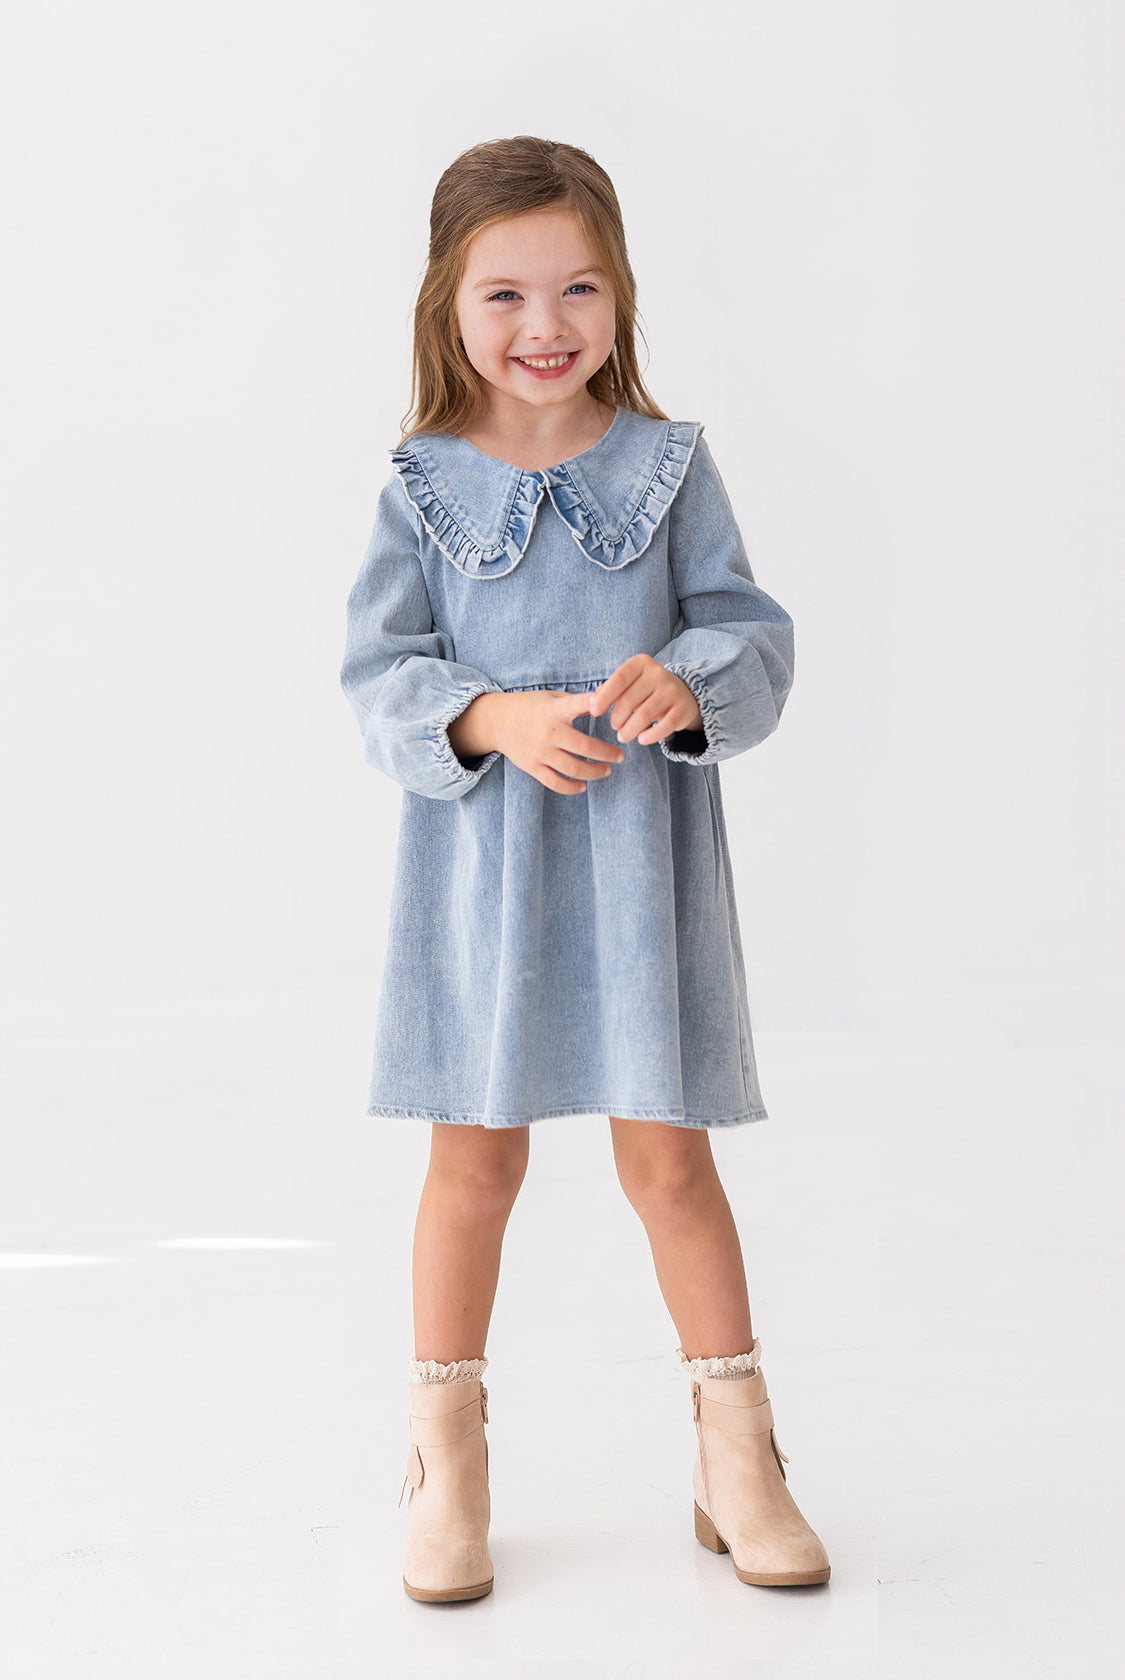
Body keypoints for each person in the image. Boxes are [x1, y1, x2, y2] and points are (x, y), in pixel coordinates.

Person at [339, 135, 831, 1603]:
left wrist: (687, 685)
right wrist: (486, 714)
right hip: (481, 874)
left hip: (636, 868)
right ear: (446, 305)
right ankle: (445, 1461)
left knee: (666, 1159)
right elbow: (378, 672)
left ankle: (736, 1452)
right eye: (503, 294)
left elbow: (747, 626)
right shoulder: (419, 486)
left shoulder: (666, 467)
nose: (542, 326)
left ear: (620, 297)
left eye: (577, 289)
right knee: (471, 1160)